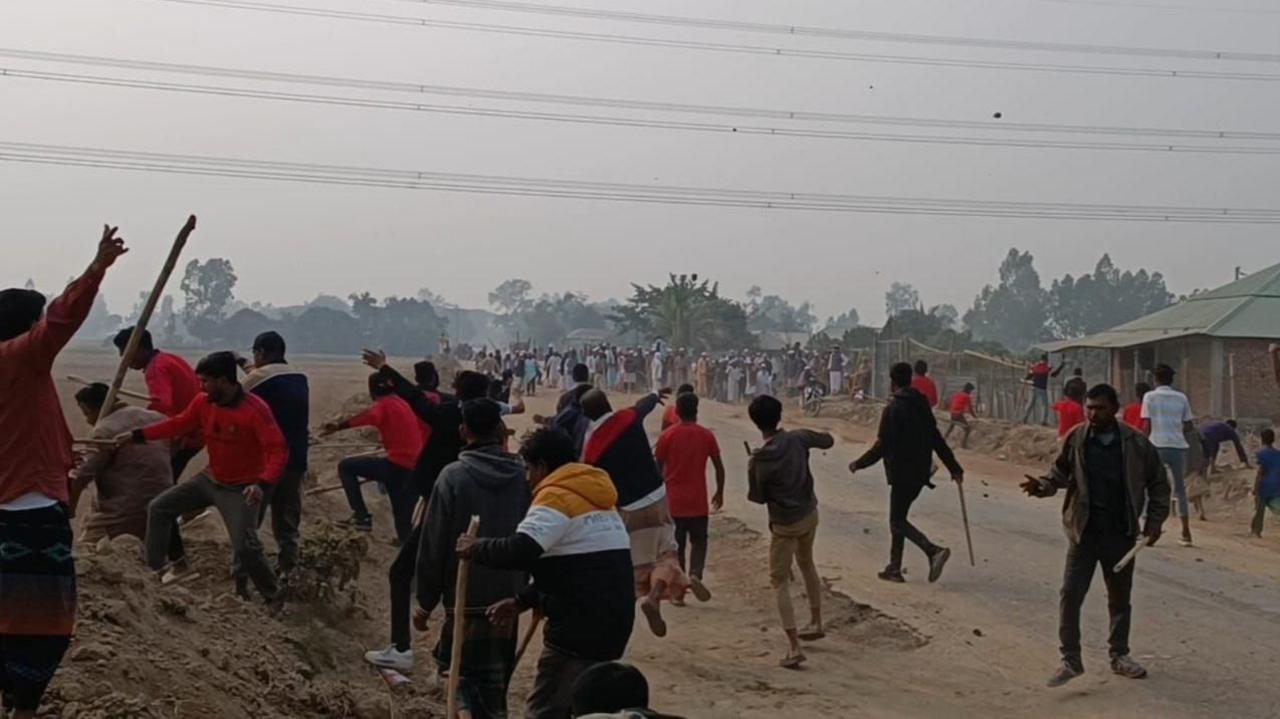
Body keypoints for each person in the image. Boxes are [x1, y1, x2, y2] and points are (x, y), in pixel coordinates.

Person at [0, 225, 127, 719]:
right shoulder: (19, 358)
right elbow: (59, 319)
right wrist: (96, 270)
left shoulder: (20, 375)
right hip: (28, 508)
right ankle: (23, 706)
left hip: (18, 499)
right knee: (44, 622)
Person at [457, 428, 635, 719]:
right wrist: (522, 601)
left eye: (528, 469)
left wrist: (477, 547)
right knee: (587, 708)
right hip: (609, 626)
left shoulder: (556, 495)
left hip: (577, 632)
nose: (527, 478)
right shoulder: (595, 495)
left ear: (542, 466)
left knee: (545, 710)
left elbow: (522, 549)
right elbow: (571, 569)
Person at [1020, 383, 1170, 688]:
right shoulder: (1076, 438)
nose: (1092, 413)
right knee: (1070, 594)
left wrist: (1154, 522)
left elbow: (1158, 484)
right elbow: (1059, 473)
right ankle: (1070, 660)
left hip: (1120, 533)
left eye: (1099, 408)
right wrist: (1043, 487)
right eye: (1089, 407)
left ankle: (1119, 655)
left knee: (1119, 599)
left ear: (1114, 408)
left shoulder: (1137, 444)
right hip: (1084, 532)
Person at [122, 351, 285, 605]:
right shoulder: (202, 402)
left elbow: (278, 450)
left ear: (222, 381)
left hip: (240, 489)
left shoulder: (255, 410)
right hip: (209, 479)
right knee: (159, 507)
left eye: (205, 381)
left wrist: (261, 483)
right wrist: (138, 436)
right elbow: (178, 424)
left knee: (245, 547)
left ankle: (273, 597)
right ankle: (153, 573)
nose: (200, 386)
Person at [360, 351, 486, 672]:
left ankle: (401, 649)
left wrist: (384, 367)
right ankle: (450, 658)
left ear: (457, 393)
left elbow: (416, 398)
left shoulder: (449, 416)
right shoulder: (490, 423)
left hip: (440, 506)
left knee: (401, 572)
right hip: (476, 515)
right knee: (458, 581)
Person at [415, 399, 530, 719]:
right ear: (499, 429)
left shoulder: (452, 477)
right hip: (508, 598)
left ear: (463, 431)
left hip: (465, 597)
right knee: (494, 686)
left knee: (459, 679)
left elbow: (433, 543)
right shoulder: (523, 476)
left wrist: (425, 602)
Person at [580, 388, 705, 637]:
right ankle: (658, 594)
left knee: (637, 561)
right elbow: (643, 405)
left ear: (587, 416)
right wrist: (655, 394)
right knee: (667, 553)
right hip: (657, 496)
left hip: (627, 508)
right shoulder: (627, 417)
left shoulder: (592, 447)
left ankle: (628, 608)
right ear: (608, 404)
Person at [850, 362, 963, 584]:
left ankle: (933, 551)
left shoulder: (892, 409)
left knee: (897, 520)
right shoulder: (921, 405)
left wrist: (859, 464)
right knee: (898, 517)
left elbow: (882, 446)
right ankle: (894, 568)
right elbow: (936, 439)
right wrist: (954, 468)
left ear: (892, 381)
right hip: (922, 472)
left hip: (902, 473)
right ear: (909, 379)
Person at [746, 395, 832, 669]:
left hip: (784, 523)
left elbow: (758, 497)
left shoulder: (760, 459)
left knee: (779, 580)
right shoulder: (797, 438)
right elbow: (827, 440)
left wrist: (755, 465)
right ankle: (816, 620)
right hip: (809, 512)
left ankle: (794, 645)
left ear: (756, 423)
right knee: (807, 564)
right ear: (779, 415)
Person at [321, 373, 425, 543]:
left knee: (346, 467)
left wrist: (338, 426)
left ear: (372, 391)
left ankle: (361, 517)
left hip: (397, 466)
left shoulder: (383, 405)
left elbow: (366, 417)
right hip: (414, 467)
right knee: (403, 518)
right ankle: (408, 550)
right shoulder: (403, 403)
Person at [239, 331, 309, 578]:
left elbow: (234, 392)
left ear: (260, 353)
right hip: (297, 459)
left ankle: (244, 577)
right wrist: (242, 363)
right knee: (287, 523)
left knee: (249, 522)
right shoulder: (298, 375)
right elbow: (259, 375)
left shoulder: (259, 377)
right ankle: (290, 571)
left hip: (267, 463)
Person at [69, 384, 172, 546]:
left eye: (87, 414)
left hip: (123, 510)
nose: (88, 421)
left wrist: (70, 508)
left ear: (90, 408)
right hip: (164, 500)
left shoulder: (104, 430)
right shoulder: (158, 418)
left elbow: (82, 476)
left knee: (87, 546)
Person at [653, 393, 725, 602]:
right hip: (698, 500)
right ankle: (696, 574)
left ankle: (678, 594)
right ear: (696, 410)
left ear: (678, 411)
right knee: (700, 541)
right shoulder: (706, 435)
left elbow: (657, 471)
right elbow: (719, 466)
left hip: (674, 501)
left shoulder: (667, 436)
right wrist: (720, 491)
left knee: (677, 547)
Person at [112, 326, 203, 482]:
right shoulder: (169, 359)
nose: (122, 357)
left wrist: (136, 428)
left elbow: (161, 407)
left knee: (159, 483)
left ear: (138, 348)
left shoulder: (156, 370)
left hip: (185, 435)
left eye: (124, 351)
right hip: (193, 430)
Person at [1140, 363, 1196, 547]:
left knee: (1150, 488)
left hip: (1156, 445)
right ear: (1172, 379)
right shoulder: (1181, 398)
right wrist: (1176, 431)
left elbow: (1147, 426)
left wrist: (1141, 446)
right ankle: (1186, 532)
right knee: (1179, 490)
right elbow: (1189, 426)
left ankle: (1148, 529)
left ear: (1155, 379)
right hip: (1178, 447)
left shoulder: (1149, 397)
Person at [1251, 428, 1280, 538]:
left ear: (1262, 440)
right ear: (1273, 439)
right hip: (1277, 487)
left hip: (1264, 487)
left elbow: (1260, 472)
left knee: (1259, 510)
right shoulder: (1278, 454)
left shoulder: (1260, 454)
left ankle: (1256, 531)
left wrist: (1255, 487)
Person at [1022, 354, 1065, 426]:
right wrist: (1061, 366)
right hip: (1042, 389)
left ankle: (1024, 419)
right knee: (1044, 406)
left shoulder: (1035, 367)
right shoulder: (1046, 367)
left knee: (1030, 404)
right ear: (1046, 360)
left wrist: (1025, 379)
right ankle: (1043, 421)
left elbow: (1030, 375)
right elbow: (1054, 374)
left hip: (1033, 387)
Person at [944, 382, 978, 449]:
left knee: (951, 426)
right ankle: (964, 445)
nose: (971, 392)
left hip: (952, 413)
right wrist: (975, 417)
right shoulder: (967, 396)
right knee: (968, 429)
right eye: (971, 391)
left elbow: (951, 403)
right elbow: (970, 409)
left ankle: (944, 439)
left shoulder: (957, 394)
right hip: (958, 414)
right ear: (968, 390)